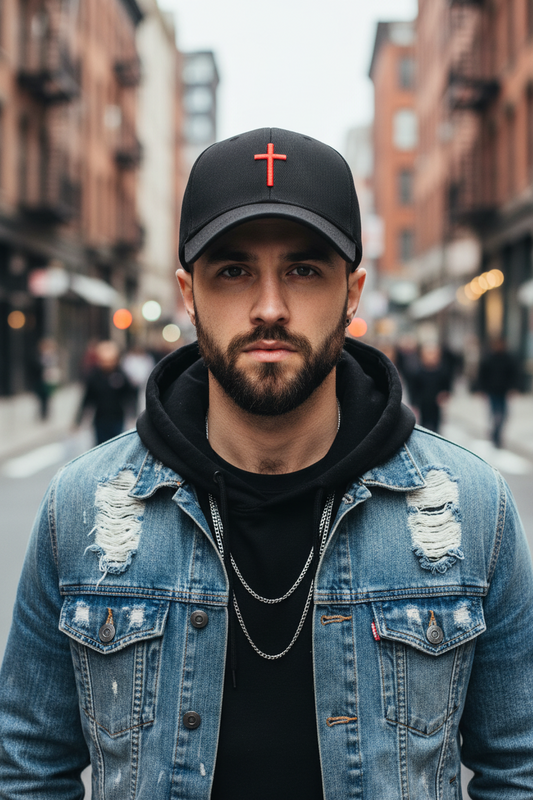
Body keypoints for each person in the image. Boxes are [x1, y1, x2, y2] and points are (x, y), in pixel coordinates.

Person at [1, 128, 532, 799]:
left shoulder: (469, 508)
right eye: (234, 271)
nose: (269, 309)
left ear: (352, 292)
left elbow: (517, 768)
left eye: (304, 270)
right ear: (189, 293)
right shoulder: (83, 507)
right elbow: (28, 768)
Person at [76, 339, 136, 444]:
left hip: (117, 417)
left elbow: (130, 395)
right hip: (100, 419)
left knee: (116, 445)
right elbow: (87, 398)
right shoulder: (94, 376)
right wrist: (78, 420)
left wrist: (133, 413)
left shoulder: (121, 375)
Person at [477, 337, 520, 448]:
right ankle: (494, 434)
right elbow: (482, 374)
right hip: (492, 391)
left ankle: (497, 433)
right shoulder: (489, 358)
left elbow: (514, 374)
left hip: (503, 392)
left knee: (503, 414)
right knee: (495, 413)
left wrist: (512, 388)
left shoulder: (508, 359)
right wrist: (482, 389)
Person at [410, 342, 452, 433]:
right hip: (423, 403)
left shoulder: (442, 371)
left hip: (436, 404)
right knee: (423, 424)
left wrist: (445, 395)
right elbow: (414, 389)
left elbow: (446, 386)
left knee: (436, 424)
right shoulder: (418, 372)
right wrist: (414, 402)